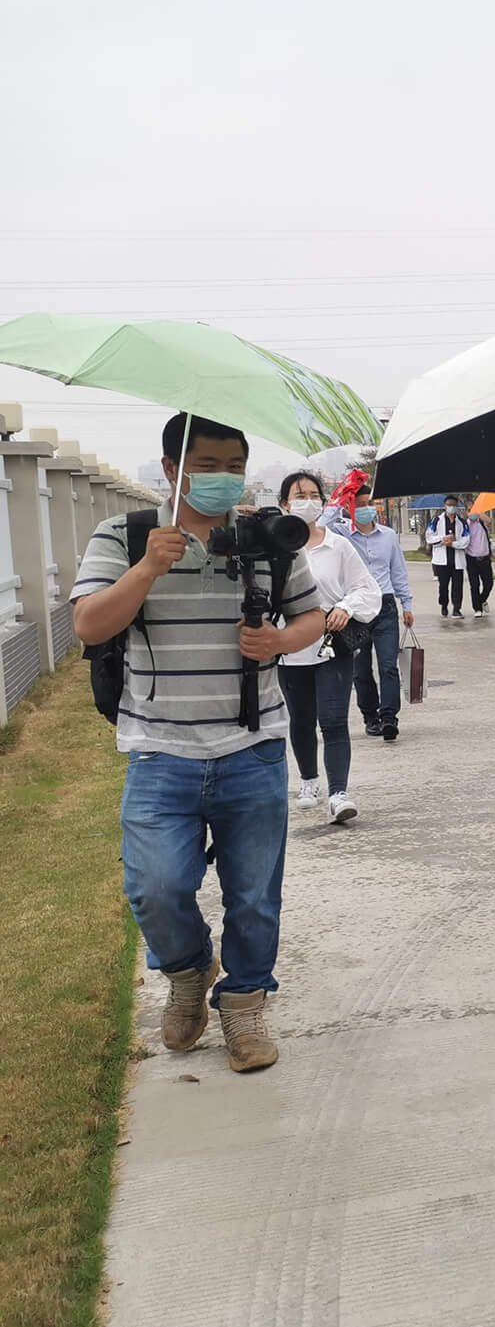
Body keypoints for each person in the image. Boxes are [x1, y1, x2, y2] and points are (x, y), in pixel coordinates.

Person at [71, 413, 324, 1074]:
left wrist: (279, 642)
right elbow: (90, 622)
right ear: (170, 470)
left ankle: (242, 1002)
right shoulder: (123, 536)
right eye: (205, 465)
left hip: (254, 747)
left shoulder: (268, 539)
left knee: (254, 895)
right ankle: (187, 971)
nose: (220, 478)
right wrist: (149, 569)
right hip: (159, 751)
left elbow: (312, 616)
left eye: (231, 466)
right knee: (155, 886)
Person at [279, 472, 380, 825]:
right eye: (299, 494)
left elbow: (367, 590)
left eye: (313, 494)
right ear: (284, 505)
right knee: (302, 720)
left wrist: (346, 608)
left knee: (334, 720)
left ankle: (339, 793)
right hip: (289, 649)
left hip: (331, 648)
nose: (308, 500)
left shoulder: (338, 546)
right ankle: (309, 780)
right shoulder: (276, 550)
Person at [333, 500, 413, 743]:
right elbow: (321, 524)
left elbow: (398, 570)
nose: (366, 508)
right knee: (361, 669)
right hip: (356, 610)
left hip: (385, 606)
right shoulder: (341, 534)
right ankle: (370, 716)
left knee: (388, 664)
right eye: (359, 504)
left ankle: (389, 716)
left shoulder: (388, 536)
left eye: (369, 503)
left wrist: (406, 604)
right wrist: (339, 500)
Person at [426, 497, 468, 617]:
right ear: (444, 505)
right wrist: (443, 539)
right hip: (441, 560)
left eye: (454, 505)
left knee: (458, 586)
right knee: (443, 586)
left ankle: (456, 609)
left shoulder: (462, 522)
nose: (452, 507)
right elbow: (429, 537)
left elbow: (466, 539)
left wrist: (453, 543)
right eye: (449, 504)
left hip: (457, 560)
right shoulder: (436, 520)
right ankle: (444, 605)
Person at [464, 509, 495, 613]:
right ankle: (477, 609)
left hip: (485, 558)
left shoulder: (482, 522)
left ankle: (482, 600)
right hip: (471, 558)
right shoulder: (465, 525)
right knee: (474, 585)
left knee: (488, 584)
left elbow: (490, 521)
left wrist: (479, 512)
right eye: (470, 511)